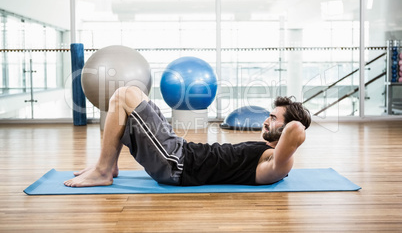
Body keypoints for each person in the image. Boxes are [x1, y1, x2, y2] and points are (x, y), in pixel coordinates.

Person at [64, 86, 311, 187]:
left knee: (123, 95)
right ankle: (110, 166)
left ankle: (103, 171)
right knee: (133, 94)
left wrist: (293, 124)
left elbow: (296, 131)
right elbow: (290, 130)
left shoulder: (276, 164)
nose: (267, 120)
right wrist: (280, 122)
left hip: (177, 164)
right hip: (180, 151)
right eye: (269, 115)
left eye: (274, 117)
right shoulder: (265, 151)